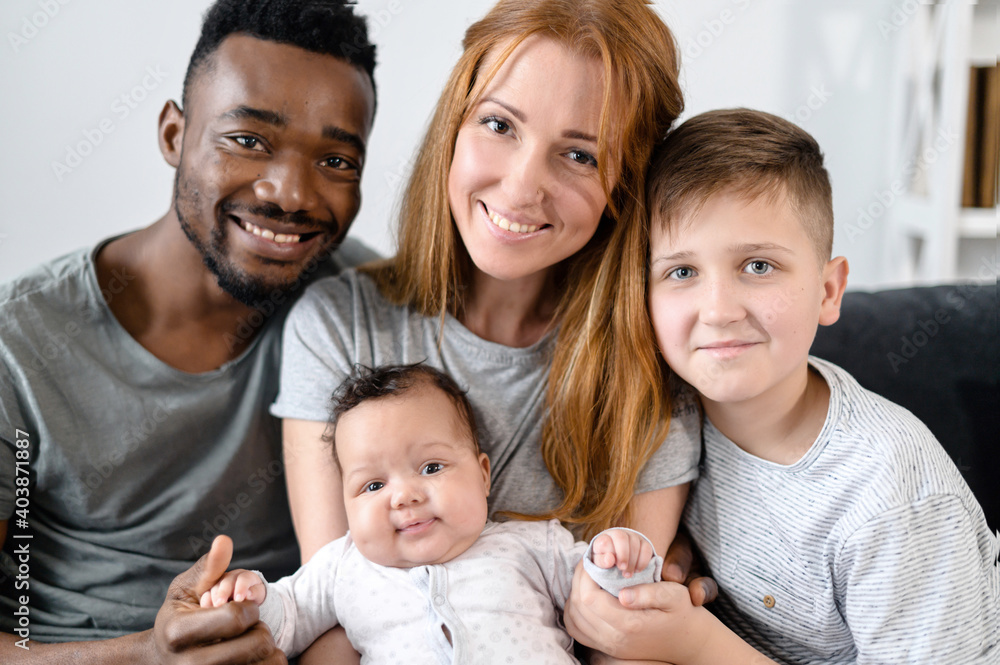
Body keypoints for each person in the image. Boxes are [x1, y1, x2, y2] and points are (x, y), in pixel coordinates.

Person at [273, 0, 706, 661]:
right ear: (455, 123)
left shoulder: (651, 374)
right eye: (500, 123)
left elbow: (623, 637)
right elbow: (341, 610)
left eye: (581, 156)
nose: (521, 184)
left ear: (623, 187)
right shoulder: (338, 328)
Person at [0, 0, 377, 661]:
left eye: (336, 160)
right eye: (248, 139)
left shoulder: (362, 307)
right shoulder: (20, 343)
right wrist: (149, 653)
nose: (291, 192)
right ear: (175, 135)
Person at [564, 109, 1000, 664]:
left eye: (759, 266)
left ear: (828, 290)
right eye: (681, 272)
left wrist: (696, 644)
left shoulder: (891, 493)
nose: (718, 311)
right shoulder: (670, 412)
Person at [205, 363, 663, 662]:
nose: (403, 496)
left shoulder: (530, 545)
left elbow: (603, 596)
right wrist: (253, 601)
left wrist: (618, 558)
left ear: (483, 475)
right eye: (373, 485)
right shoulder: (342, 566)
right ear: (345, 503)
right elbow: (289, 618)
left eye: (431, 467)